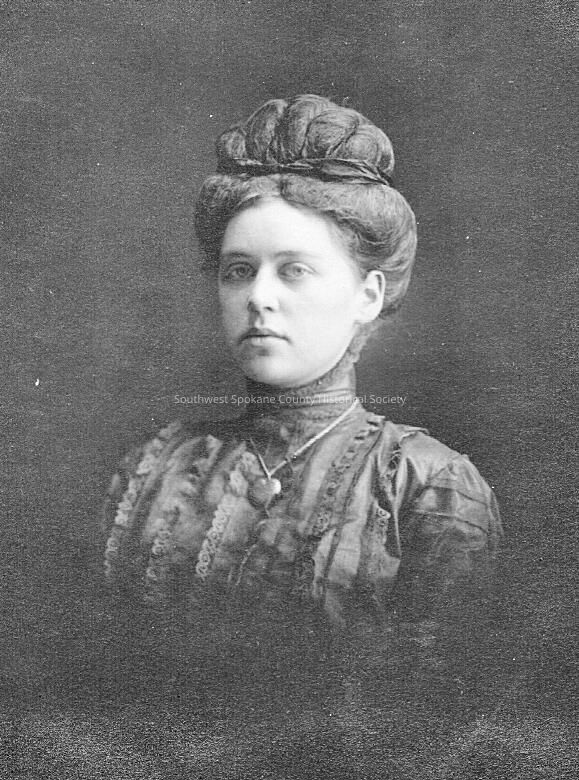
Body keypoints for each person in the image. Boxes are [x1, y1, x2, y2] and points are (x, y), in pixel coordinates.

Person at [101, 94, 501, 706]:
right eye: (239, 269)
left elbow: (442, 724)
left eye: (294, 270)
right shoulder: (155, 468)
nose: (258, 297)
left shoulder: (428, 487)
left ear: (368, 295)